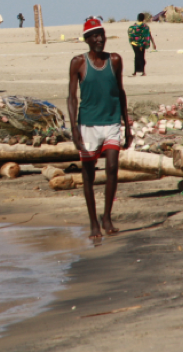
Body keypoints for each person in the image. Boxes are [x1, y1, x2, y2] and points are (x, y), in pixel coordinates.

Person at [67, 17, 131, 240]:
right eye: (94, 36)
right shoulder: (78, 63)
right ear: (86, 39)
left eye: (101, 35)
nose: (99, 39)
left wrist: (127, 125)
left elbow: (121, 92)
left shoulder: (115, 60)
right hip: (88, 126)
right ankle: (93, 222)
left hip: (112, 122)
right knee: (88, 175)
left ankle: (107, 216)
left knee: (112, 168)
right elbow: (72, 97)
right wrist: (74, 129)